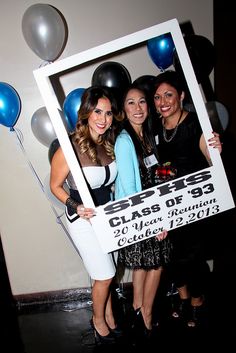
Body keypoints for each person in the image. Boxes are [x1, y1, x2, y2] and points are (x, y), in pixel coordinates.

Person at [50, 86, 123, 345]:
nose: (103, 119)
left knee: (109, 272)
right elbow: (55, 186)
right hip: (82, 219)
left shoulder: (110, 143)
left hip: (107, 216)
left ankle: (110, 316)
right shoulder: (68, 147)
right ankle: (98, 321)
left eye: (108, 113)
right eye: (97, 112)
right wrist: (75, 204)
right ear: (86, 114)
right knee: (103, 275)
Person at [152, 70, 222, 328]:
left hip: (194, 203)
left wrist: (216, 149)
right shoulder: (155, 126)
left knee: (192, 256)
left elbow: (211, 158)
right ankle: (182, 298)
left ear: (181, 95)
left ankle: (196, 299)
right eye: (158, 97)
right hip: (167, 203)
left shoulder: (195, 123)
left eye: (169, 94)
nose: (163, 101)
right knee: (171, 255)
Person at [114, 84, 172, 339]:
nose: (138, 108)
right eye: (130, 103)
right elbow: (128, 189)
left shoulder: (147, 135)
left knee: (142, 266)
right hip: (141, 213)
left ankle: (137, 310)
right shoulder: (125, 140)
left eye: (142, 102)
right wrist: (153, 221)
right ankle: (146, 314)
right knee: (156, 265)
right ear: (123, 110)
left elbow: (156, 171)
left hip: (151, 207)